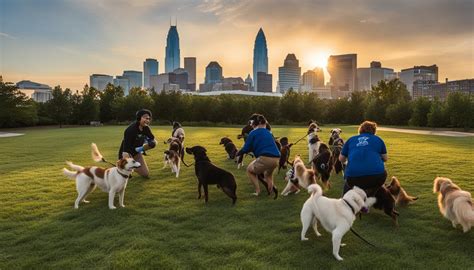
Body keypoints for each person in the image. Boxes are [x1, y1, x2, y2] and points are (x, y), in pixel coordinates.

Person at [236, 114, 281, 196]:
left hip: (265, 158)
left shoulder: (253, 133)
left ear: (254, 123)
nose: (251, 125)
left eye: (251, 123)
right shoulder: (269, 132)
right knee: (268, 175)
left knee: (249, 170)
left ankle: (257, 191)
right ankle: (271, 192)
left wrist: (238, 153)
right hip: (276, 159)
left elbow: (246, 148)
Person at [339, 121, 387, 196]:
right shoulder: (378, 139)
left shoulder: (351, 139)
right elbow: (385, 158)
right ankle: (369, 195)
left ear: (360, 130)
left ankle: (348, 200)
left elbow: (341, 159)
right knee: (379, 179)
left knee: (348, 184)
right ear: (374, 131)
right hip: (377, 177)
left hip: (353, 178)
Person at [118, 109, 157, 178]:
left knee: (145, 174)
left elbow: (152, 138)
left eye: (148, 118)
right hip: (127, 153)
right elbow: (126, 150)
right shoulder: (130, 130)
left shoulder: (146, 128)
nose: (147, 120)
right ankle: (123, 166)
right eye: (145, 117)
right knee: (125, 175)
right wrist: (126, 162)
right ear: (139, 118)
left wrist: (151, 143)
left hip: (137, 152)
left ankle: (130, 168)